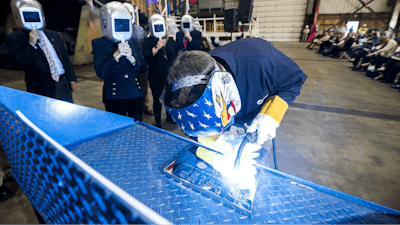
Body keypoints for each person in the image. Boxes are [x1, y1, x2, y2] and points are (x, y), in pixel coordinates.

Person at [160, 38, 307, 175]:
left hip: (256, 123)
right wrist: (213, 153)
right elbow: (194, 131)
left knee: (252, 166)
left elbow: (294, 80)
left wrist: (270, 115)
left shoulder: (262, 60)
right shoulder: (188, 81)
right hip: (222, 125)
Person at [5, 0, 77, 103]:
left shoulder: (53, 35)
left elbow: (64, 58)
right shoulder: (14, 38)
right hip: (41, 86)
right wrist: (31, 44)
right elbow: (18, 63)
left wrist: (72, 78)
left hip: (63, 81)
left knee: (67, 111)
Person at [92, 1, 147, 121]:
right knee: (118, 132)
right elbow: (101, 73)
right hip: (114, 96)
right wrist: (116, 56)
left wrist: (131, 58)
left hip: (135, 94)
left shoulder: (133, 41)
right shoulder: (99, 43)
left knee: (137, 129)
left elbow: (143, 68)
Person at [142, 14, 179, 128]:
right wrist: (157, 47)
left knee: (169, 98)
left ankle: (169, 117)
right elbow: (145, 56)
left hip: (168, 75)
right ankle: (158, 121)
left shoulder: (170, 41)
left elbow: (175, 55)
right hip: (155, 76)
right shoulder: (147, 41)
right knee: (157, 99)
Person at [123, 3, 153, 117]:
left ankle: (145, 106)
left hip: (140, 63)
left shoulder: (140, 30)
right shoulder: (117, 29)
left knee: (143, 87)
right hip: (126, 65)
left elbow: (145, 48)